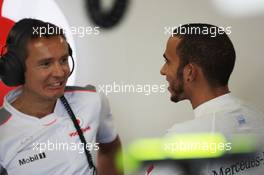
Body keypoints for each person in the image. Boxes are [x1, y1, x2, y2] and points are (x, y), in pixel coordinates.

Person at [0, 18, 122, 175]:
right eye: (46, 64)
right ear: (17, 69)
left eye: (64, 60)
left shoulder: (92, 101)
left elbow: (110, 147)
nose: (60, 73)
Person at [144, 23, 264, 175]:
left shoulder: (182, 139)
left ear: (190, 72)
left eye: (168, 61)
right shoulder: (259, 117)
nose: (163, 70)